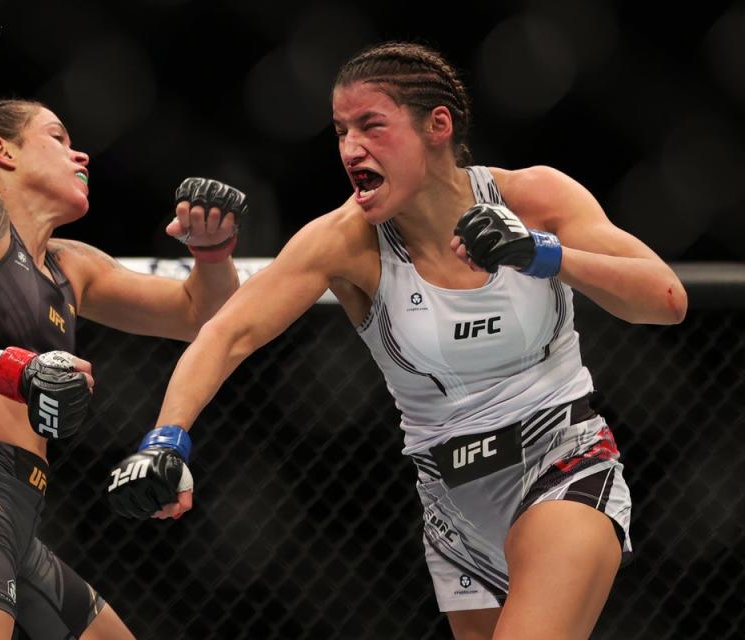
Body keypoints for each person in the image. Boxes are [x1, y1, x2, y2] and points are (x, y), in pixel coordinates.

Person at [106, 42, 688, 640]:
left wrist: (542, 254)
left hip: (563, 462)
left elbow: (666, 301)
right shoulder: (344, 240)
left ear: (438, 126)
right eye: (340, 131)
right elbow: (225, 334)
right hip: (452, 503)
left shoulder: (533, 198)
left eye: (370, 126)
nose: (350, 148)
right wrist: (166, 437)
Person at [0, 98, 247, 640]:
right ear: (2, 151)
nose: (79, 152)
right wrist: (14, 370)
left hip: (18, 517)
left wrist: (212, 251)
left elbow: (202, 319)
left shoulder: (70, 265)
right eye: (57, 137)